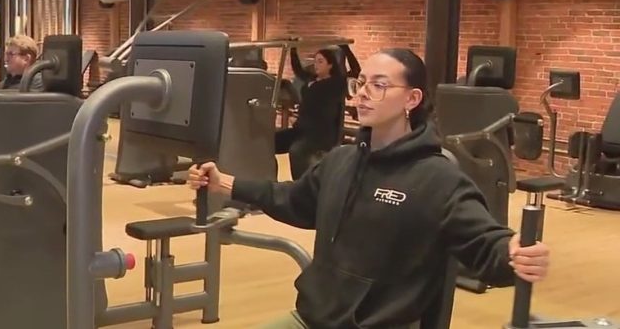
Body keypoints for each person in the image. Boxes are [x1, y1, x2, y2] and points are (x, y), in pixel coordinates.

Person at [188, 48, 550, 329]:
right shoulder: (341, 160)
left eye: (378, 85)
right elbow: (294, 199)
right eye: (360, 83)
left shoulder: (437, 178)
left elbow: (482, 242)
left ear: (412, 99)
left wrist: (511, 252)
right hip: (315, 318)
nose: (362, 94)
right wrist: (226, 183)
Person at [275, 46, 347, 179]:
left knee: (296, 151)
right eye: (315, 61)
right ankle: (270, 177)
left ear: (330, 65)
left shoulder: (336, 83)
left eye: (320, 61)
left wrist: (346, 48)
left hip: (320, 134)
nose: (316, 65)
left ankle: (301, 186)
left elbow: (356, 71)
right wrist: (293, 48)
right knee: (270, 142)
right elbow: (298, 69)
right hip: (301, 130)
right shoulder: (311, 79)